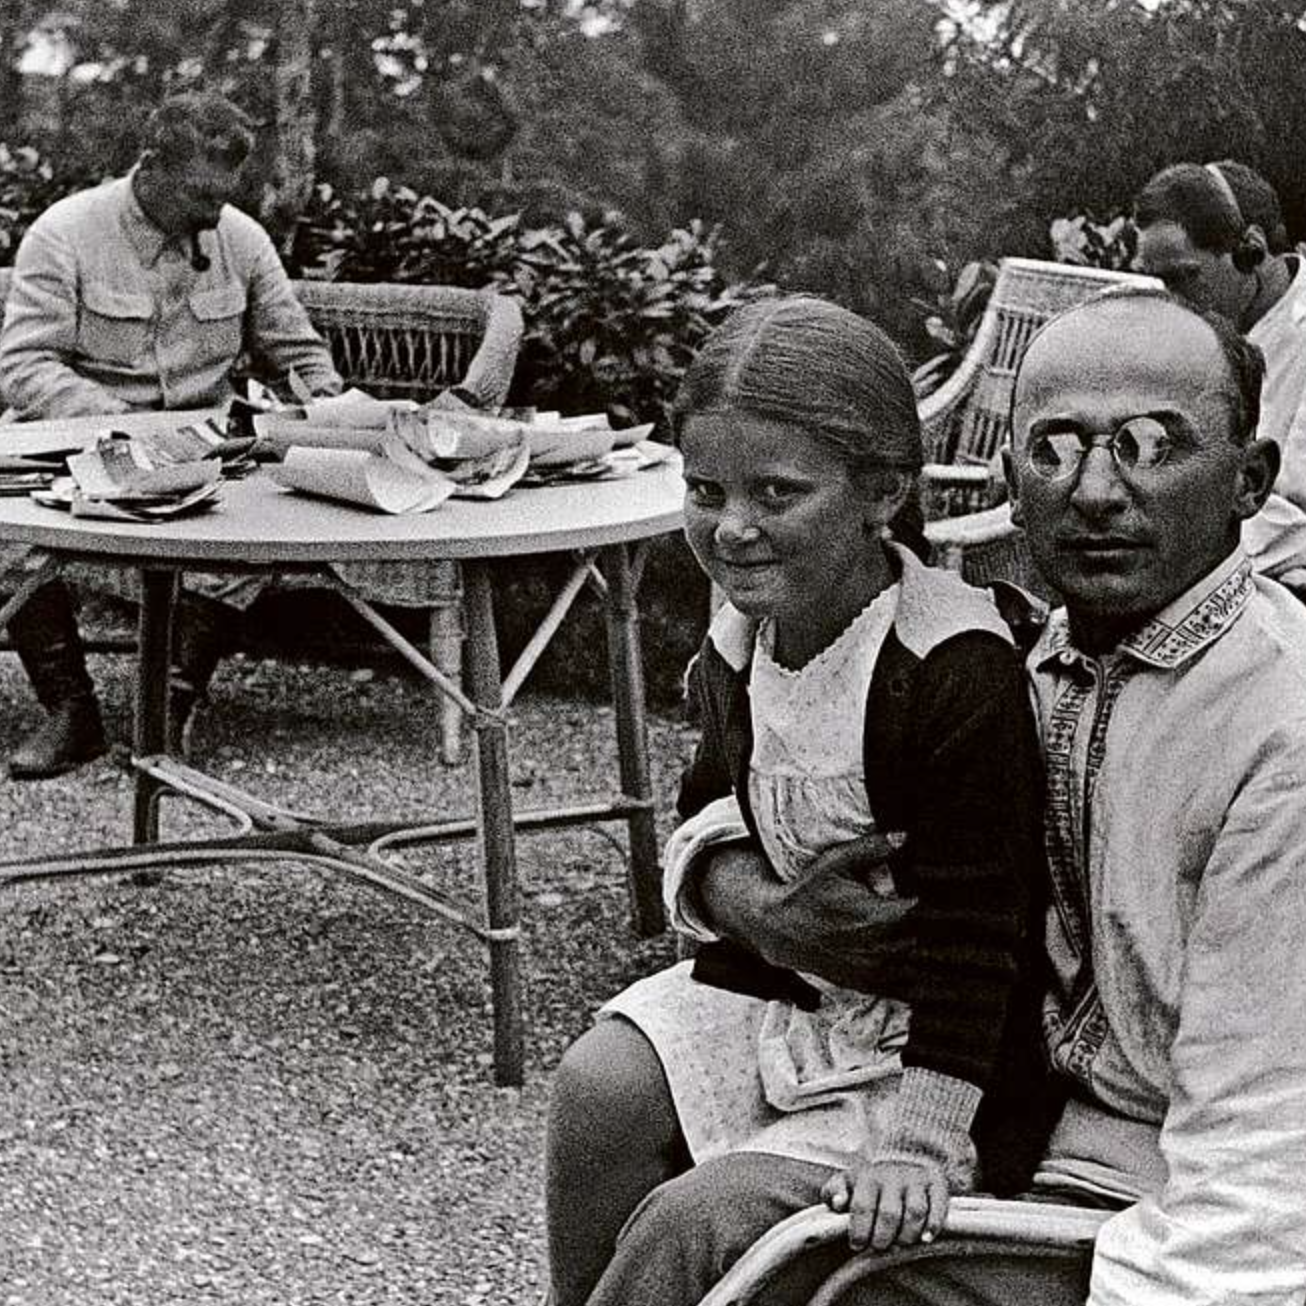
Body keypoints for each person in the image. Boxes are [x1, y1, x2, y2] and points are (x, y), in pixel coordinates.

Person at [686, 286, 1306, 1305]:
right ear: (1011, 485)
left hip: (1154, 1192)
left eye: (1152, 445)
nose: (1096, 491)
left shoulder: (1277, 726)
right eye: (1055, 449)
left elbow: (1265, 1164)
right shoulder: (1023, 648)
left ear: (1251, 479)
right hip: (991, 1104)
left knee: (785, 1267)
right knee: (633, 1130)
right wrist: (745, 897)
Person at [544, 295, 1054, 1306]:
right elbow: (709, 805)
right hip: (798, 994)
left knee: (698, 1217)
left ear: (880, 491)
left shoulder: (945, 668)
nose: (732, 527)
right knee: (599, 1086)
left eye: (777, 492)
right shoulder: (745, 636)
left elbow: (981, 937)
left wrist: (920, 1147)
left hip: (938, 1053)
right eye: (706, 489)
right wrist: (755, 903)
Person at [0, 89, 342, 778]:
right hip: (75, 442)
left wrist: (332, 408)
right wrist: (121, 430)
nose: (214, 214)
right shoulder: (65, 233)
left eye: (225, 195)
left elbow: (297, 352)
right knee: (5, 537)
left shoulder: (241, 239)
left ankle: (168, 710)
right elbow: (25, 366)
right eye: (200, 195)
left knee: (257, 524)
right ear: (151, 166)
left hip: (205, 453)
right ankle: (70, 710)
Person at [1133, 159, 1306, 583]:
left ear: (1251, 250)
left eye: (1184, 277)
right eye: (1160, 282)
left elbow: (1294, 508)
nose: (1173, 302)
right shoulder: (1201, 326)